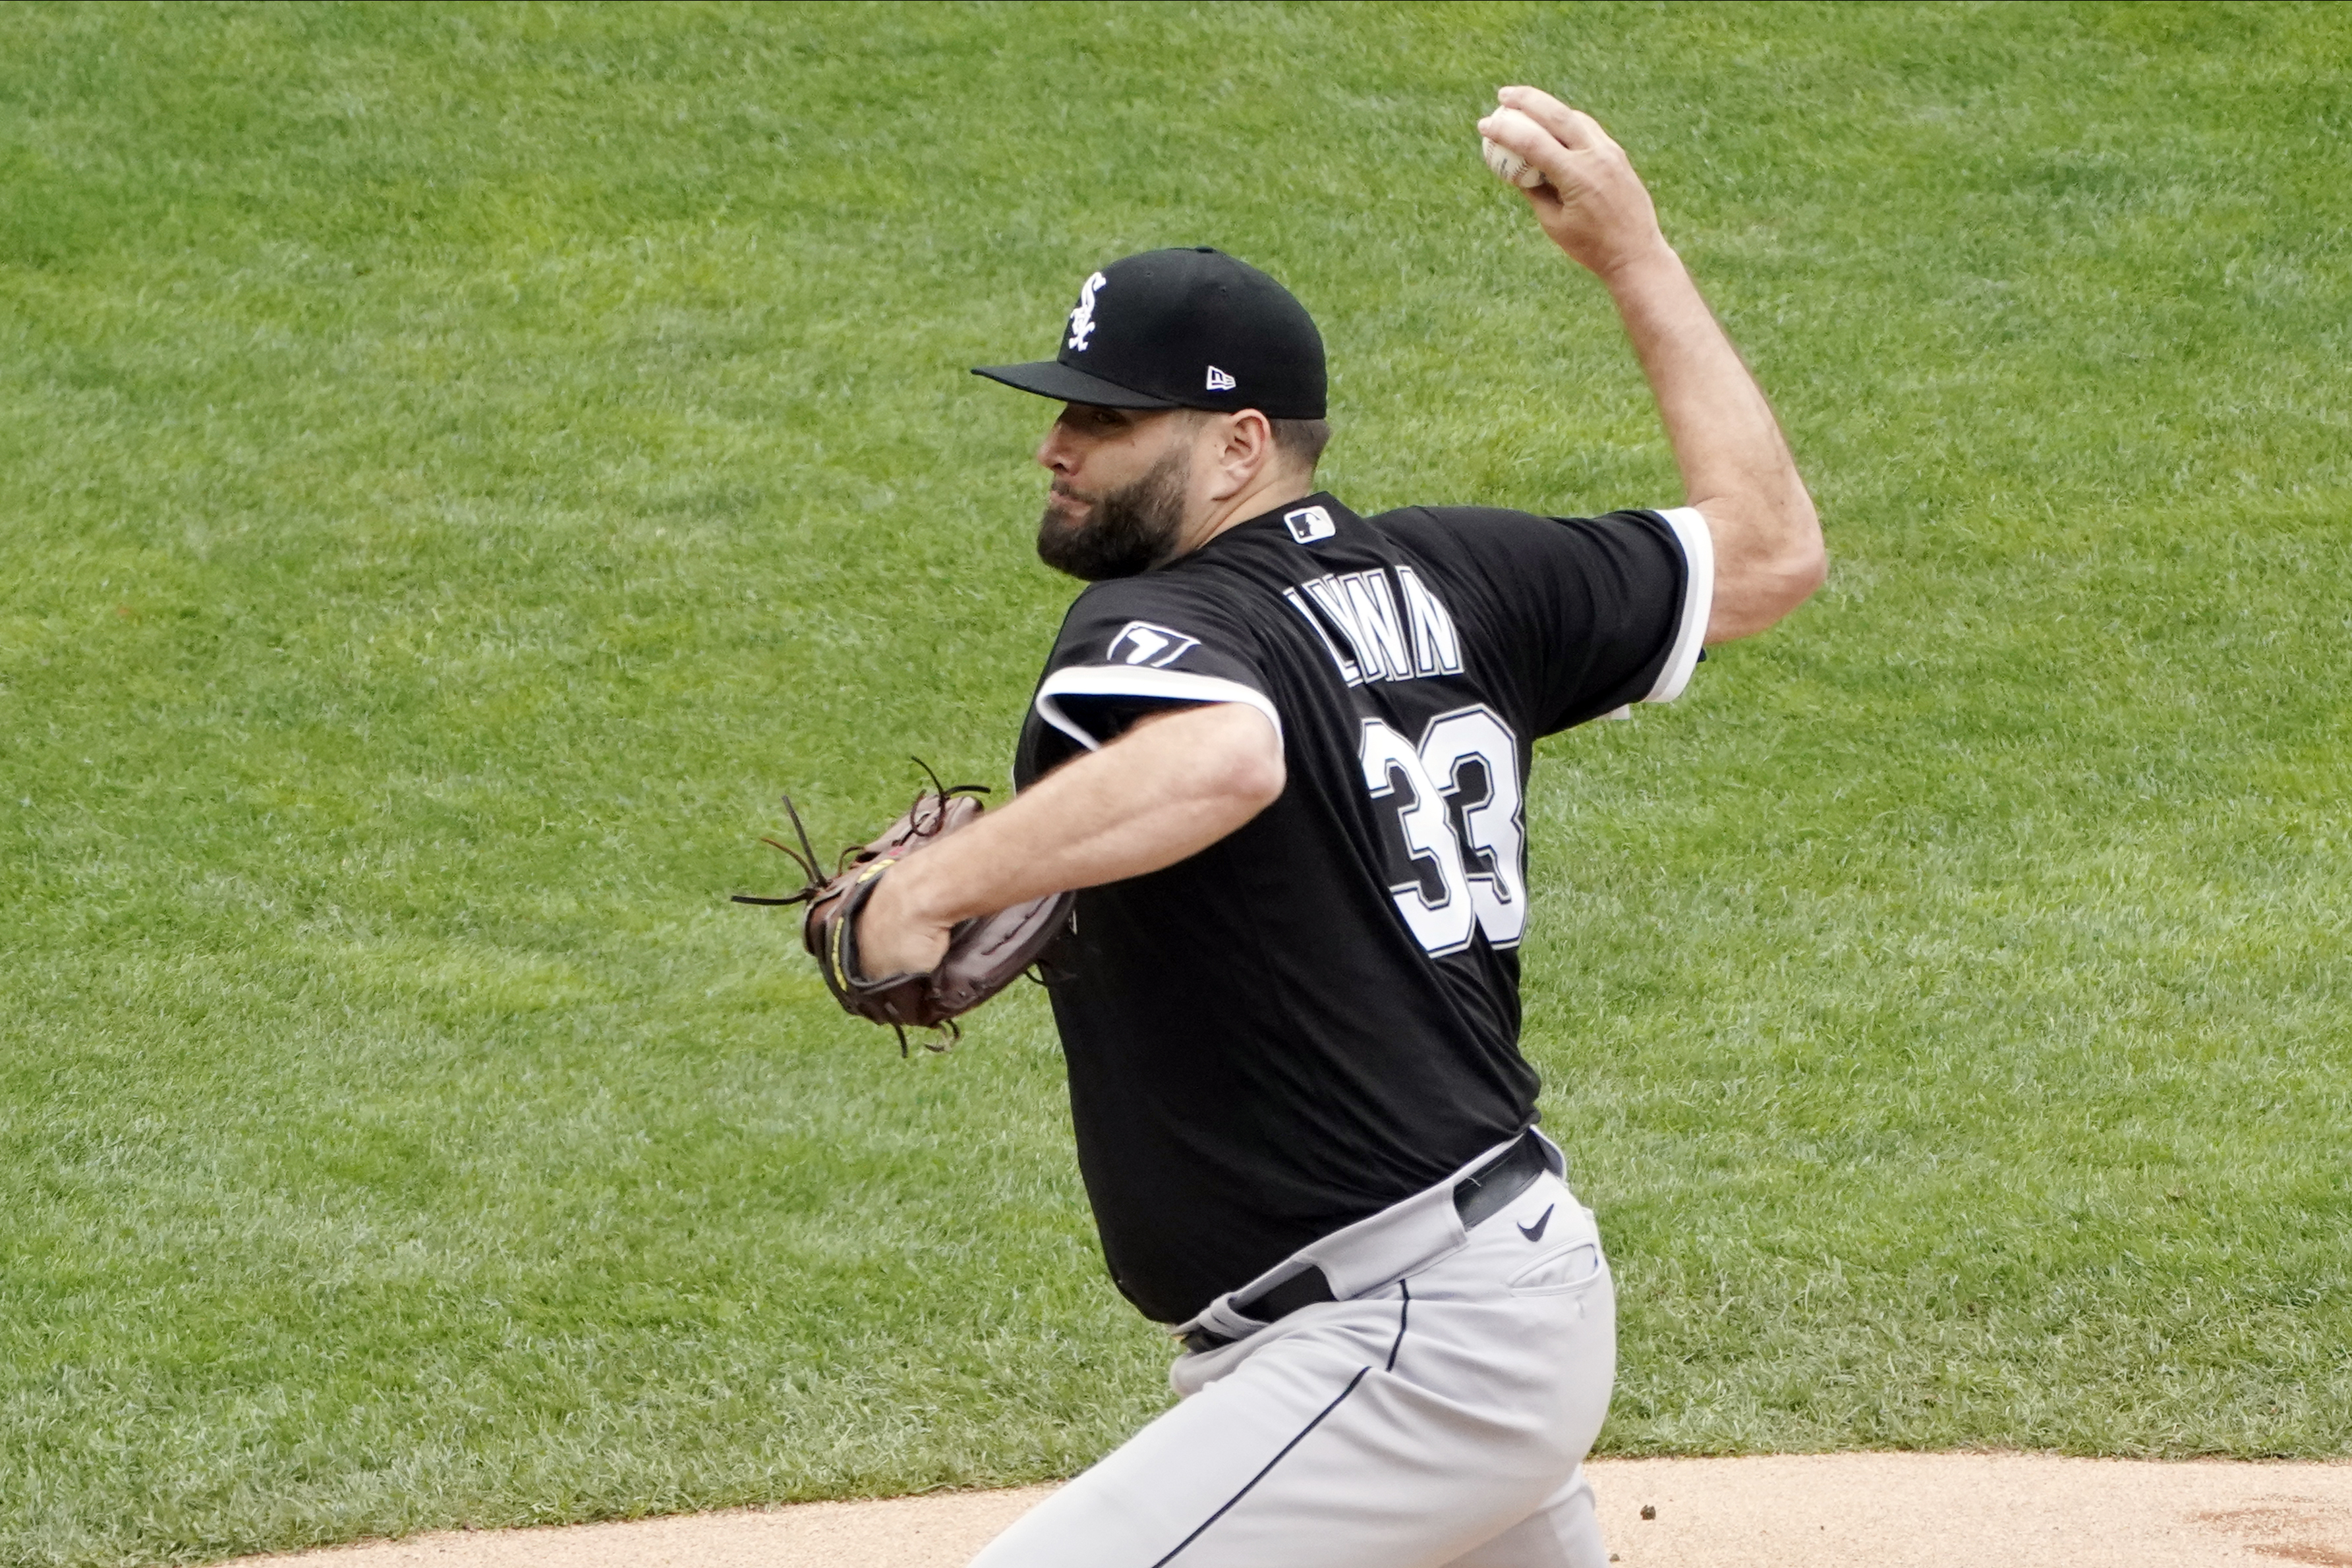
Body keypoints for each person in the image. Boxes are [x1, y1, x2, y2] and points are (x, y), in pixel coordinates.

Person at [853, 86, 1824, 1568]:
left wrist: (935, 882)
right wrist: (1635, 258)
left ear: (1238, 446)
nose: (1057, 442)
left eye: (1105, 416)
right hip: (1476, 1294)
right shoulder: (1459, 578)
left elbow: (1231, 755)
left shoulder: (1147, 621)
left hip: (1409, 1336)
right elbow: (1764, 552)